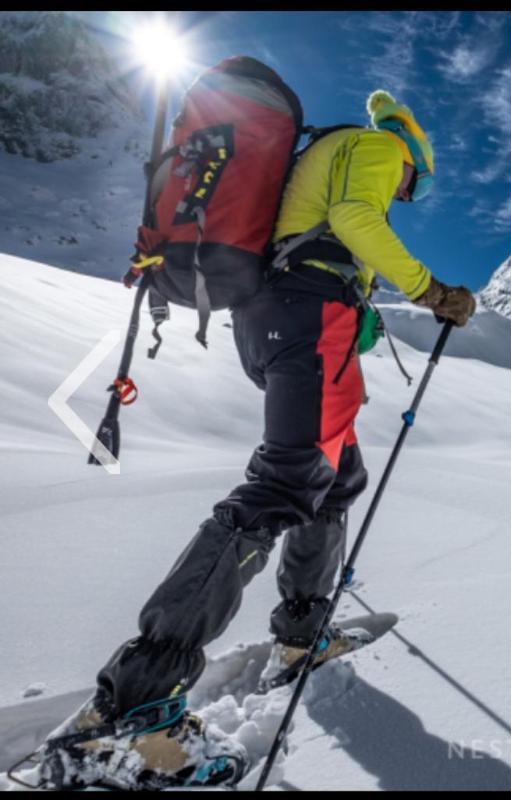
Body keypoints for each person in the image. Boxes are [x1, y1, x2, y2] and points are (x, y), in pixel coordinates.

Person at [37, 90, 476, 790]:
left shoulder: (326, 150)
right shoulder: (379, 147)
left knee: (335, 475)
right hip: (309, 316)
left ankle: (301, 638)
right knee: (284, 485)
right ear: (413, 156)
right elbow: (354, 218)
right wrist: (430, 289)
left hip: (280, 317)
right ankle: (132, 714)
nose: (406, 189)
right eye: (412, 184)